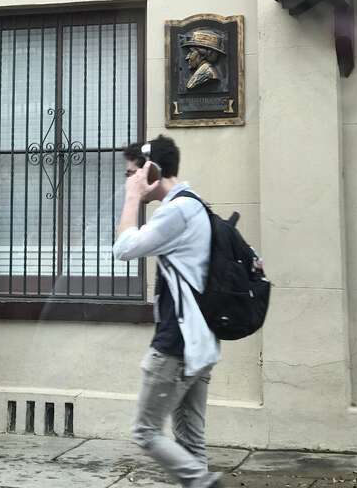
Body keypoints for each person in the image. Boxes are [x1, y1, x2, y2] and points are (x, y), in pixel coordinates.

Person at [113, 136, 222, 488]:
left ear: (151, 171)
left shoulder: (177, 212)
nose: (129, 179)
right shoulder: (195, 204)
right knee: (190, 439)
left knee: (145, 431)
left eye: (133, 172)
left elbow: (124, 249)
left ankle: (204, 482)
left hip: (177, 344)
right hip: (201, 341)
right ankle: (200, 480)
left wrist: (132, 197)